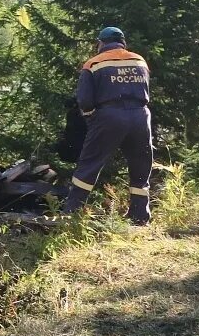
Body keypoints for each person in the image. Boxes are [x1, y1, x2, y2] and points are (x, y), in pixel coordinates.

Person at [63, 26, 152, 225]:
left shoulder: (93, 63)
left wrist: (91, 118)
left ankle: (73, 212)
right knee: (140, 164)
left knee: (90, 163)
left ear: (101, 43)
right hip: (140, 115)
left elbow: (85, 100)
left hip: (109, 115)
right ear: (123, 42)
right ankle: (140, 216)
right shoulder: (139, 60)